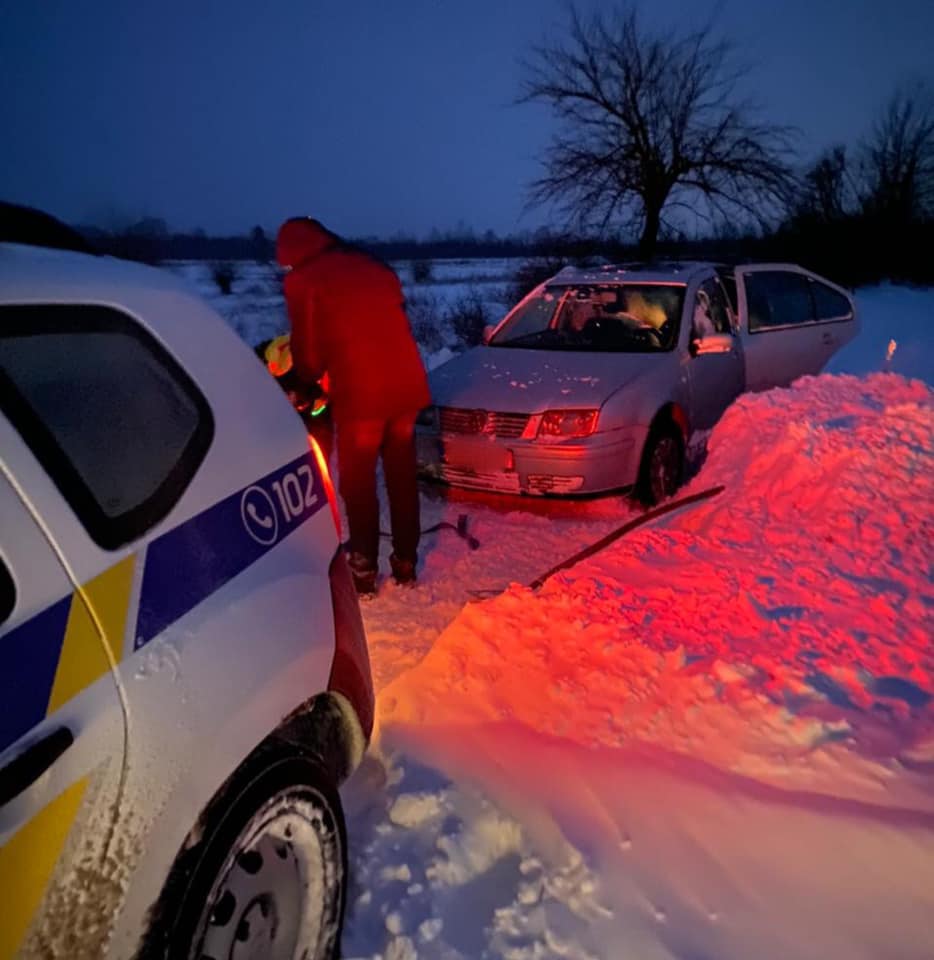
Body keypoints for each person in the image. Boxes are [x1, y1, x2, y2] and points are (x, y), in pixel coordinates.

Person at [276, 216, 430, 594]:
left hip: (362, 396)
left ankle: (362, 568)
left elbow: (309, 356)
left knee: (358, 483)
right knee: (400, 475)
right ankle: (405, 562)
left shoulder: (304, 280)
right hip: (406, 387)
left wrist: (304, 380)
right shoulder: (373, 265)